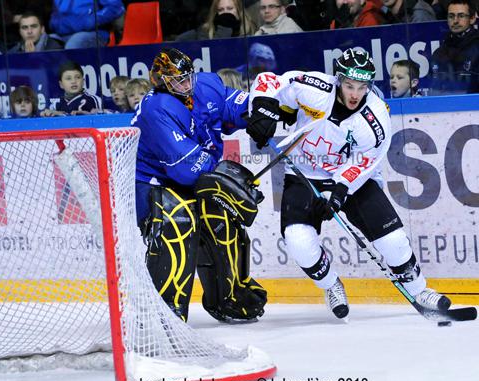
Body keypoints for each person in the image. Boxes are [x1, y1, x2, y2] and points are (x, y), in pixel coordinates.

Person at [245, 48, 452, 320]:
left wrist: (340, 190)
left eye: (362, 87)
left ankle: (419, 290)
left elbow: (368, 159)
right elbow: (269, 82)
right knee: (298, 240)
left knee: (393, 240)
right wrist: (263, 111)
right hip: (305, 172)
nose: (355, 94)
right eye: (350, 85)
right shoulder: (316, 88)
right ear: (339, 79)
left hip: (352, 178)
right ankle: (331, 285)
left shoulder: (375, 116)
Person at [132, 48, 268, 323]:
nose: (186, 84)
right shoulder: (156, 108)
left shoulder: (206, 85)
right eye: (178, 80)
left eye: (188, 77)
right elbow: (185, 168)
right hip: (155, 182)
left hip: (195, 176)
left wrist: (263, 113)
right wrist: (223, 178)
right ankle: (164, 313)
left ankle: (228, 299)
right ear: (161, 82)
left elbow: (236, 105)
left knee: (223, 221)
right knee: (177, 224)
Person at [430, 0, 478, 95]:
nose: (455, 21)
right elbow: (434, 89)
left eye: (461, 16)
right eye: (451, 16)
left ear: (472, 18)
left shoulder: (477, 47)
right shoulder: (439, 53)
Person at [49, 0, 125, 49]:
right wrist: (80, 23)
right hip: (65, 33)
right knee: (47, 43)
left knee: (75, 43)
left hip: (94, 33)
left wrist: (91, 20)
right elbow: (54, 21)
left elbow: (116, 8)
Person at [176, 0, 257, 41]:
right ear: (216, 13)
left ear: (238, 11)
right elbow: (215, 53)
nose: (225, 12)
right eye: (221, 10)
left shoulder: (250, 28)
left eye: (230, 8)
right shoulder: (206, 31)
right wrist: (225, 27)